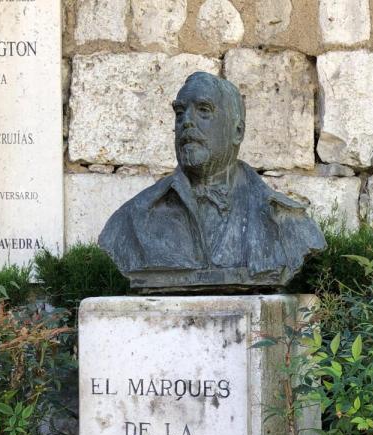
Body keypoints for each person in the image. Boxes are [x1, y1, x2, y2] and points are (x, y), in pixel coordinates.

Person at [99, 71, 325, 292]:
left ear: (238, 131)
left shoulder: (287, 221)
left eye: (203, 111)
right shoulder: (132, 218)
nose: (186, 121)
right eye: (180, 113)